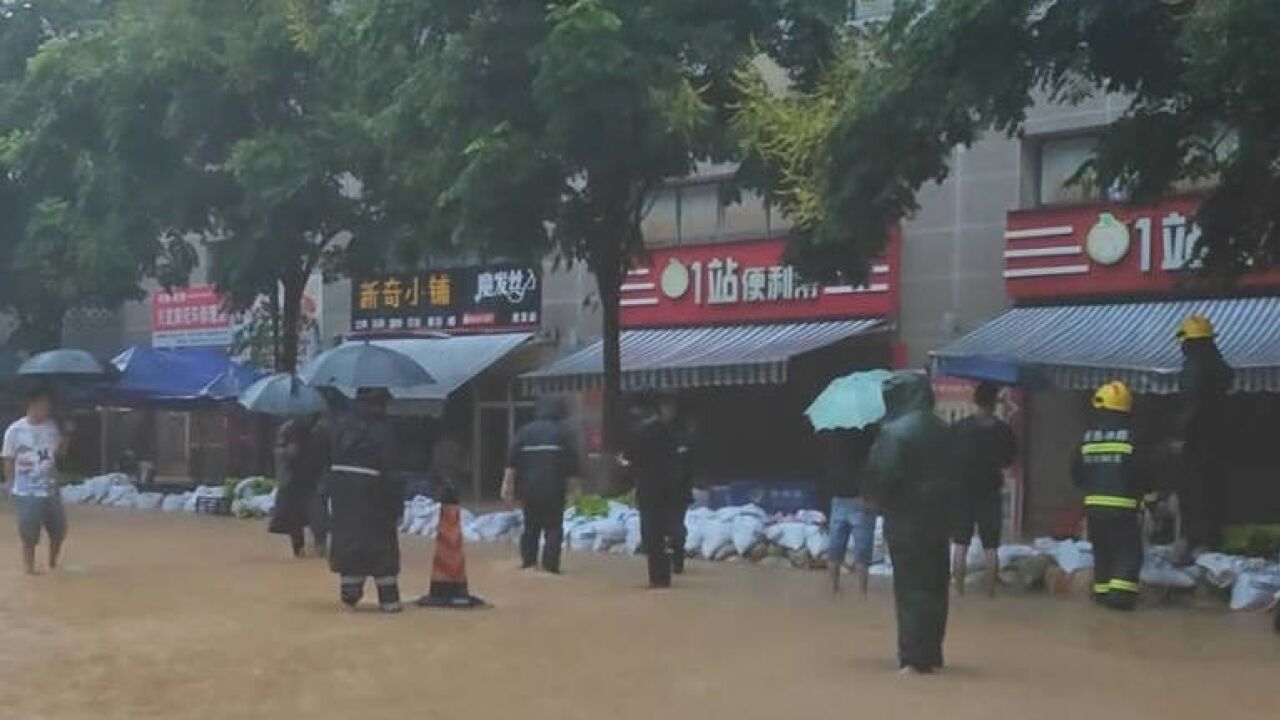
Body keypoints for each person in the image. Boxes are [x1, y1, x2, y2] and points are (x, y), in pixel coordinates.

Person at [863, 373, 955, 675]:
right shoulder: (943, 429)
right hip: (940, 519)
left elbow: (883, 477)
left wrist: (873, 499)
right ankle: (932, 653)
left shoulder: (894, 433)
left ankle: (913, 659)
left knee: (910, 589)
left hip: (906, 520)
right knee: (935, 586)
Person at [1071, 380, 1152, 612]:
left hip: (1094, 508)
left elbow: (1076, 472)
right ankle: (1120, 599)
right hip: (1124, 508)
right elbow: (1143, 472)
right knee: (1126, 552)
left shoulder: (1087, 439)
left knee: (1103, 552)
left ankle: (1103, 595)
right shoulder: (1131, 438)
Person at [326, 389, 403, 612]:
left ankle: (350, 592)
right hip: (375, 494)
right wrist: (397, 506)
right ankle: (389, 600)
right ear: (378, 405)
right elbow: (392, 473)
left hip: (342, 495)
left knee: (348, 538)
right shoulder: (384, 432)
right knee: (381, 545)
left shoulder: (338, 427)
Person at [1174, 315, 1233, 563]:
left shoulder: (1194, 367)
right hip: (1218, 443)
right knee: (1212, 496)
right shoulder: (1220, 366)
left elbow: (1192, 406)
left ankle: (1195, 547)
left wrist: (1180, 437)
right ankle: (1209, 547)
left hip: (1196, 445)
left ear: (1189, 342)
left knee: (1193, 497)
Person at [950, 381, 1017, 597]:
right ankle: (990, 594)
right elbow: (1008, 460)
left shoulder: (960, 427)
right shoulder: (1003, 430)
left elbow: (948, 456)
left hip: (962, 491)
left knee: (960, 543)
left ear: (974, 400)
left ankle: (959, 591)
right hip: (989, 491)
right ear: (994, 402)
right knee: (991, 546)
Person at [502, 396, 579, 574]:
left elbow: (511, 463)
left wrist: (507, 488)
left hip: (529, 490)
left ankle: (529, 562)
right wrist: (576, 492)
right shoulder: (563, 433)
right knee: (553, 528)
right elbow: (573, 467)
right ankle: (550, 565)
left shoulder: (524, 432)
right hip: (554, 490)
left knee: (530, 527)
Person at [1, 386, 69, 575]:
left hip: (50, 489)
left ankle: (52, 562)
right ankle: (29, 567)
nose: (45, 409)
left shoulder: (52, 427)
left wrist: (67, 435)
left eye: (47, 405)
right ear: (31, 405)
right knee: (29, 533)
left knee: (59, 531)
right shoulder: (14, 431)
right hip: (26, 491)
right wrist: (9, 485)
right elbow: (8, 459)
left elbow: (60, 453)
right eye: (42, 405)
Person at [622, 391, 682, 589]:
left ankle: (657, 577)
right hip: (670, 486)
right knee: (667, 527)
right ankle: (669, 570)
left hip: (648, 487)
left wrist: (626, 463)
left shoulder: (638, 433)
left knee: (651, 532)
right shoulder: (668, 431)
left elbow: (629, 457)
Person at [821, 427, 877, 596]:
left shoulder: (832, 433)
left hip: (838, 496)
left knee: (834, 550)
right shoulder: (868, 432)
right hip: (861, 498)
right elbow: (874, 463)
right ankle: (862, 594)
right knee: (862, 552)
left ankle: (833, 590)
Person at [268, 415, 329, 558]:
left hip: (314, 481)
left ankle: (321, 546)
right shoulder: (287, 429)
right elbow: (278, 451)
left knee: (319, 517)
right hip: (293, 481)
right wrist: (286, 452)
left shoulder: (322, 432)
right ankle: (299, 548)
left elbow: (328, 455)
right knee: (293, 519)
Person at [665, 396, 695, 575]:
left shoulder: (680, 435)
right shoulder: (671, 433)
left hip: (675, 490)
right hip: (672, 489)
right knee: (673, 525)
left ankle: (676, 559)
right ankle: (675, 558)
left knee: (675, 525)